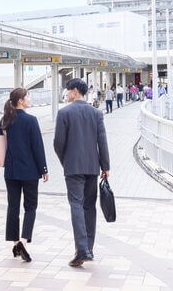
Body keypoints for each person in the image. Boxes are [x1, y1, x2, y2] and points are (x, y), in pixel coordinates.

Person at [54, 78, 110, 268]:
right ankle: (89, 249)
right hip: (92, 167)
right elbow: (102, 141)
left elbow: (58, 143)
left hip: (73, 167)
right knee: (89, 207)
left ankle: (82, 249)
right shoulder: (96, 113)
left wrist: (65, 161)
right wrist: (105, 166)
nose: (67, 94)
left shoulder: (64, 113)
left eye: (68, 91)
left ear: (75, 91)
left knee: (76, 205)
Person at [0, 88, 48, 262]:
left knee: (13, 207)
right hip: (30, 171)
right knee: (30, 207)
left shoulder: (5, 120)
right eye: (27, 96)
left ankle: (15, 242)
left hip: (11, 171)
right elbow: (37, 147)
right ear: (20, 101)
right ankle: (24, 241)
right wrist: (44, 169)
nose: (29, 99)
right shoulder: (31, 120)